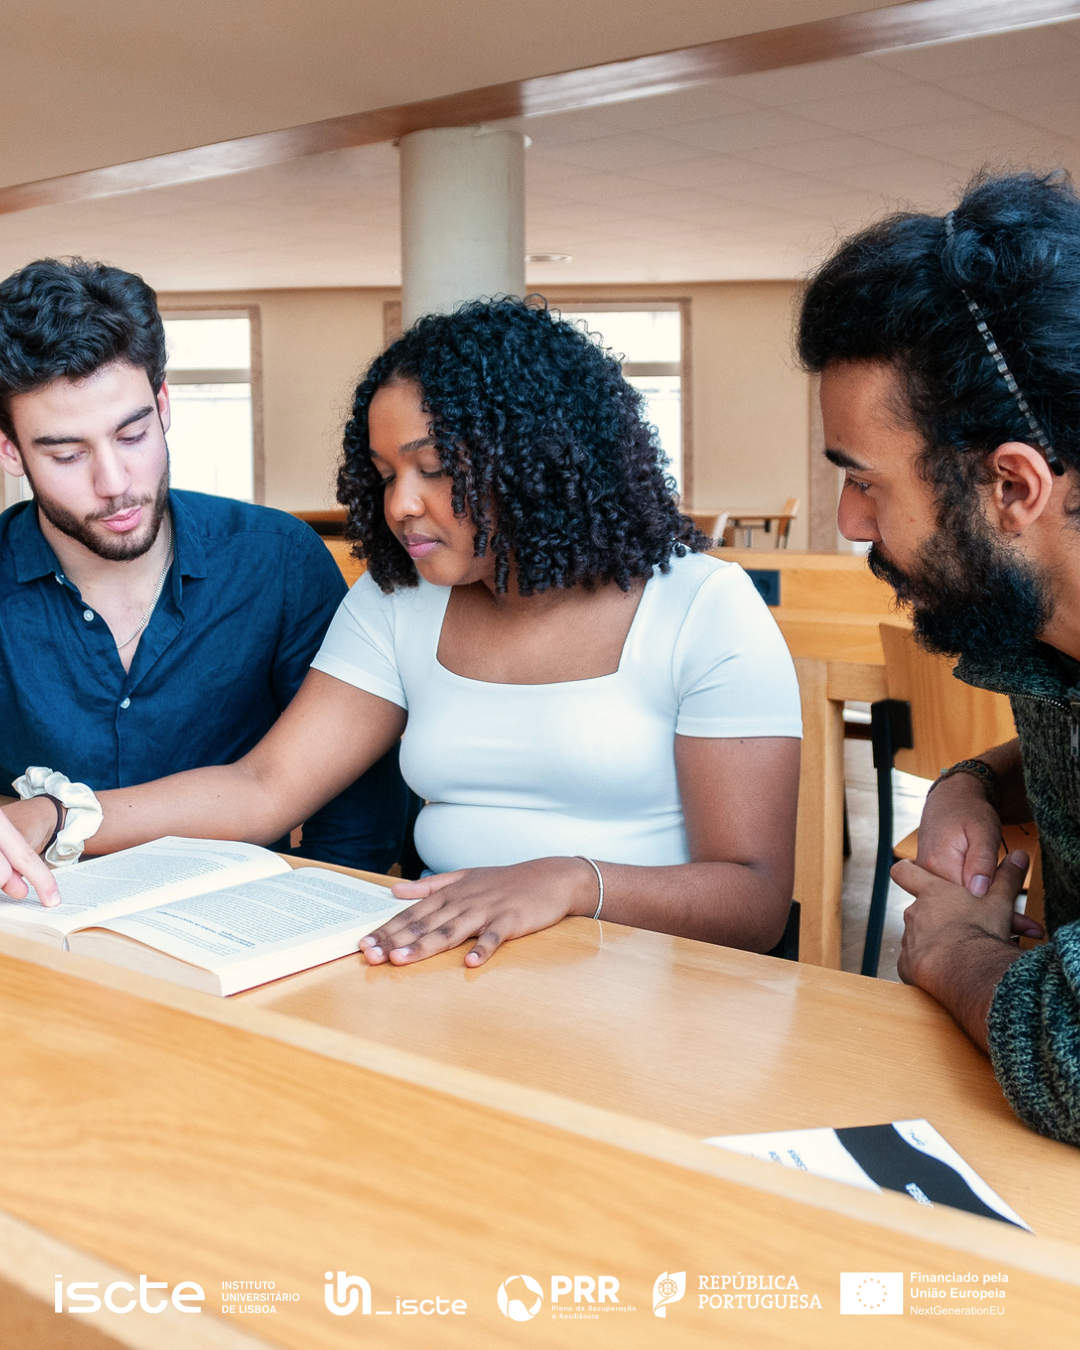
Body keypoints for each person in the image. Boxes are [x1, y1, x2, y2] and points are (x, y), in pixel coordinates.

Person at [3, 298, 802, 964]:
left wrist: (565, 881)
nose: (399, 505)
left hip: (653, 977)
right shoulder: (399, 602)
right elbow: (263, 788)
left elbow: (755, 900)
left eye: (435, 469)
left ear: (537, 457)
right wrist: (59, 814)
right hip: (442, 963)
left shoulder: (704, 606)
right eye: (387, 474)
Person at [798, 170, 1080, 1146]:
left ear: (1013, 485)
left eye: (866, 482)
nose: (848, 522)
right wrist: (972, 782)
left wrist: (956, 950)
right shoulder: (1053, 634)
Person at [0, 257, 411, 874]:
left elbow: (358, 817)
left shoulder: (278, 562)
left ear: (163, 406)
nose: (114, 484)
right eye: (65, 454)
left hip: (246, 938)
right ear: (10, 449)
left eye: (133, 436)